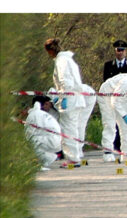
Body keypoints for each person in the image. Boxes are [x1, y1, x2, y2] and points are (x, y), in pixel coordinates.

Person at [44, 38, 86, 168]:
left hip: (70, 98)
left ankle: (72, 159)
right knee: (75, 128)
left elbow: (64, 80)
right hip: (77, 97)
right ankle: (76, 155)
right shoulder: (68, 59)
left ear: (50, 51)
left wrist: (63, 96)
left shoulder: (61, 61)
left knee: (68, 129)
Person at [103, 40, 127, 152]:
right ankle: (113, 147)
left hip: (126, 99)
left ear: (125, 52)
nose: (120, 52)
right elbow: (105, 81)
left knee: (125, 125)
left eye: (122, 50)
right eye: (118, 50)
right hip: (111, 97)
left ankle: (123, 148)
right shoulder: (108, 65)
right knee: (111, 123)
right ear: (115, 51)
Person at [25, 96, 62, 171]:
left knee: (31, 140)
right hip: (56, 141)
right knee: (35, 139)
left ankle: (42, 163)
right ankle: (49, 157)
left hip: (51, 140)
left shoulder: (34, 114)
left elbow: (29, 133)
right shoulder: (43, 114)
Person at [78, 83, 96, 158]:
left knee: (80, 124)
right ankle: (76, 149)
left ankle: (78, 149)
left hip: (87, 97)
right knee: (77, 124)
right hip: (82, 95)